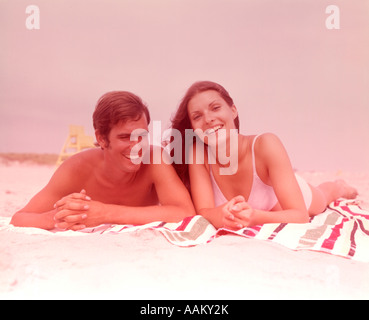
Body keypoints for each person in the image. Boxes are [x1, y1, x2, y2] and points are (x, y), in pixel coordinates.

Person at [169, 80, 358, 230]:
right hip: (273, 192)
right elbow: (205, 211)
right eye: (197, 116)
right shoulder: (197, 154)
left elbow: (300, 216)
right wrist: (222, 215)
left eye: (215, 108)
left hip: (292, 199)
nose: (208, 119)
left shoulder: (266, 144)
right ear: (193, 127)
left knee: (324, 196)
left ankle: (339, 187)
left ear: (233, 110)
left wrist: (256, 217)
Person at [11, 91, 195, 231]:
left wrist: (105, 213)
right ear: (101, 139)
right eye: (125, 137)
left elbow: (184, 212)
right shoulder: (77, 168)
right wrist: (64, 217)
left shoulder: (155, 160)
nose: (137, 146)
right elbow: (19, 218)